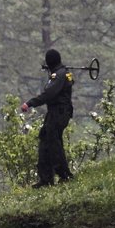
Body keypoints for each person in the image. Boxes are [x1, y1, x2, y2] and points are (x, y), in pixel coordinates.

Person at [21, 49, 74, 188]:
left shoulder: (59, 75)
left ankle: (64, 175)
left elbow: (49, 94)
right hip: (56, 112)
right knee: (45, 140)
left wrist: (30, 103)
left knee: (53, 143)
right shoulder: (63, 73)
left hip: (59, 112)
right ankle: (45, 179)